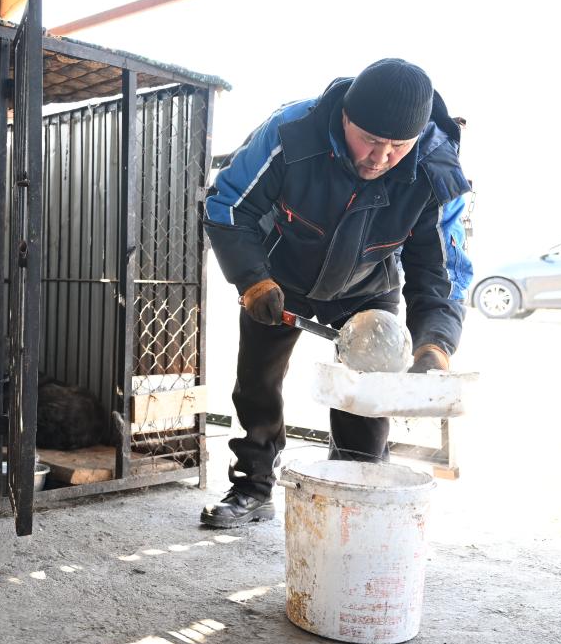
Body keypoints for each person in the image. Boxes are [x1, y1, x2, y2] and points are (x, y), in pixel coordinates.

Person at [201, 58, 473, 528]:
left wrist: (435, 345)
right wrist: (251, 279)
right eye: (369, 139)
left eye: (397, 147)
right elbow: (227, 207)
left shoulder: (436, 169)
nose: (380, 157)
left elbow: (441, 271)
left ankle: (358, 495)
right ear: (345, 116)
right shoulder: (290, 133)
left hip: (369, 288)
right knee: (258, 383)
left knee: (365, 397)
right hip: (278, 278)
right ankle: (252, 485)